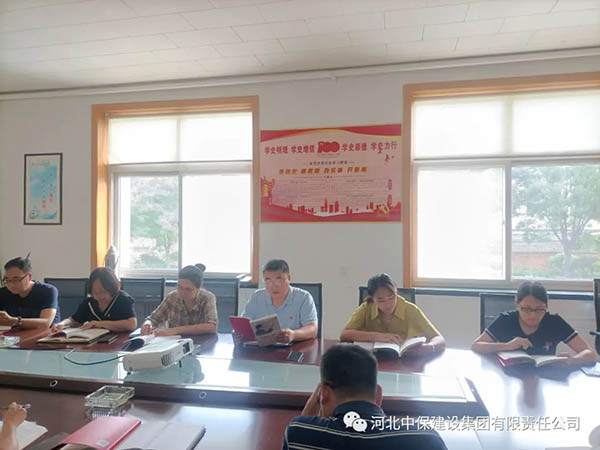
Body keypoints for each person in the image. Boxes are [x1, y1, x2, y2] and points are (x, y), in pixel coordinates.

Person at [282, 344, 446, 450]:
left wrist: (319, 395)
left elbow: (303, 423)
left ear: (324, 394)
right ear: (379, 395)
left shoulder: (299, 434)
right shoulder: (426, 439)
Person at [471, 281, 596, 364]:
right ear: (516, 304)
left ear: (546, 306)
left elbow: (590, 353)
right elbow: (476, 346)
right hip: (509, 377)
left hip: (545, 378)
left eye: (539, 309)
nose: (533, 315)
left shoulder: (554, 322)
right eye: (526, 309)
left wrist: (572, 360)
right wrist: (508, 345)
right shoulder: (506, 320)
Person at [340, 274, 445, 355]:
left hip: (404, 362)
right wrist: (378, 336)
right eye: (380, 300)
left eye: (391, 297)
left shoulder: (410, 309)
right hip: (372, 360)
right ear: (372, 299)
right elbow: (345, 335)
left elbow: (439, 339)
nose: (388, 304)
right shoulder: (366, 308)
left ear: (396, 292)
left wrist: (430, 346)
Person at [240, 259, 317, 344]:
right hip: (262, 348)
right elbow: (243, 323)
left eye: (278, 280)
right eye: (268, 280)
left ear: (289, 278)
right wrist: (238, 333)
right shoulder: (257, 296)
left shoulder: (303, 297)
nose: (273, 286)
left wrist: (293, 334)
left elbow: (312, 329)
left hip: (294, 347)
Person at [141, 264, 218, 336]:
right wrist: (148, 324)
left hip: (201, 342)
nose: (182, 292)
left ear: (199, 288)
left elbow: (212, 326)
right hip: (174, 342)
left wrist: (176, 330)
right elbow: (153, 318)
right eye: (180, 287)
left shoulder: (207, 298)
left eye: (188, 289)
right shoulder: (172, 297)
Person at [52, 267, 136, 333]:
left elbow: (132, 324)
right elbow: (74, 320)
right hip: (94, 341)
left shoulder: (122, 299)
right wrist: (62, 324)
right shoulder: (89, 303)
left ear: (111, 288)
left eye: (103, 291)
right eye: (95, 292)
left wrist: (99, 324)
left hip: (118, 342)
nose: (99, 296)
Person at [0, 256, 58, 329]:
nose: (11, 284)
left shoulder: (47, 291)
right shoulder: (3, 293)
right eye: (7, 280)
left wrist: (13, 321)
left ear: (29, 277)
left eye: (16, 279)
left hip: (46, 334)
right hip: (17, 334)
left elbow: (45, 323)